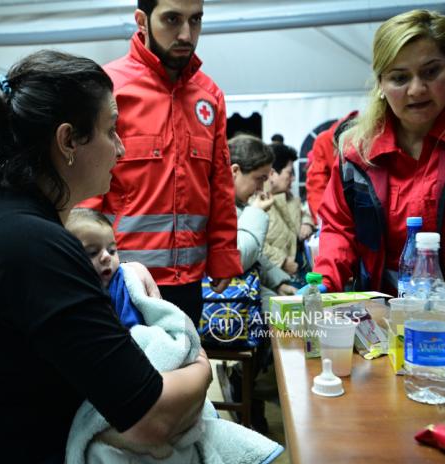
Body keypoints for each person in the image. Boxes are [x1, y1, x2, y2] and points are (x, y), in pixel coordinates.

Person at [0, 50, 212, 464]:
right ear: (67, 141)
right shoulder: (30, 243)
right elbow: (148, 419)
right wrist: (199, 363)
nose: (121, 149)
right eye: (111, 131)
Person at [315, 9, 445, 298]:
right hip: (390, 321)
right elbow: (339, 230)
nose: (417, 89)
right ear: (381, 84)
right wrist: (324, 286)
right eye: (400, 78)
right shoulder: (356, 153)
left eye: (431, 72)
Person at [78, 0, 242, 323]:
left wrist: (224, 256)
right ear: (141, 20)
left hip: (189, 284)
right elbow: (85, 192)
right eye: (172, 19)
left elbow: (220, 184)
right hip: (119, 280)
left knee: (184, 365)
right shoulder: (108, 88)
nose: (186, 34)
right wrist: (81, 266)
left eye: (195, 21)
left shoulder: (210, 96)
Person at [230, 135, 297, 299]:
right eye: (259, 179)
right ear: (235, 171)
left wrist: (278, 283)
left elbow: (256, 257)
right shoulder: (218, 208)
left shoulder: (237, 205)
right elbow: (239, 259)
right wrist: (256, 213)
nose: (260, 187)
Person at [66, 208, 145, 328]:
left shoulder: (122, 285)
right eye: (92, 253)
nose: (107, 257)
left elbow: (134, 330)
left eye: (112, 250)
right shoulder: (65, 289)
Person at [264, 143, 315, 287]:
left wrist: (307, 223)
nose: (293, 179)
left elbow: (303, 214)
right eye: (290, 173)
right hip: (273, 281)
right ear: (272, 173)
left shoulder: (292, 199)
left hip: (298, 275)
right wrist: (282, 261)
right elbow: (255, 245)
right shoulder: (256, 203)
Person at [305, 111, 358, 222]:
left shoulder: (372, 135)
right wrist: (324, 221)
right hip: (335, 209)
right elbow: (317, 183)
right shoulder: (324, 141)